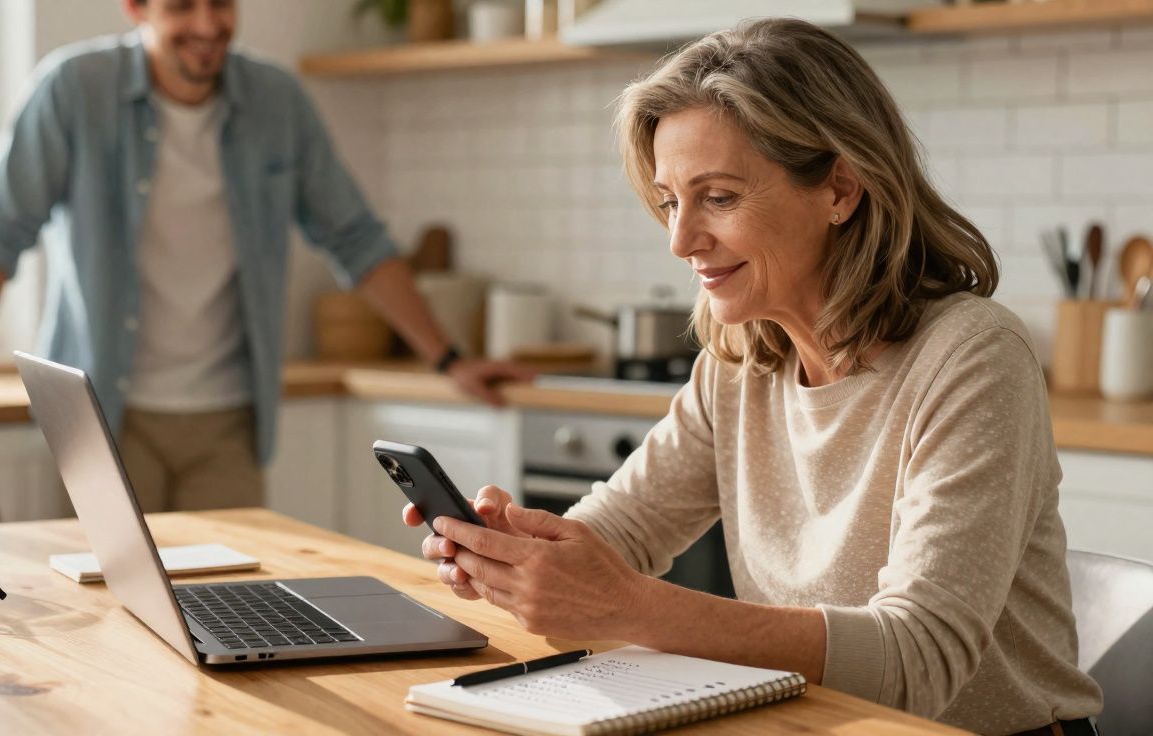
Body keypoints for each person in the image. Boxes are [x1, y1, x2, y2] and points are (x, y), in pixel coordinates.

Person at [405, 18, 1102, 736]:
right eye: (671, 200)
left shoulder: (973, 356)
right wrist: (518, 555)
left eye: (720, 198)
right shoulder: (741, 360)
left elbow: (918, 660)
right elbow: (621, 531)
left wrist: (628, 605)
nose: (680, 241)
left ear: (840, 188)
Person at [0, 0, 531, 511]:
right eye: (182, 7)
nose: (206, 25)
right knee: (113, 629)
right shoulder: (72, 89)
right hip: (104, 419)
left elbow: (356, 237)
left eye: (220, 3)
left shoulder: (277, 102)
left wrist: (449, 360)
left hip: (229, 421)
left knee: (228, 625)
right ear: (136, 7)